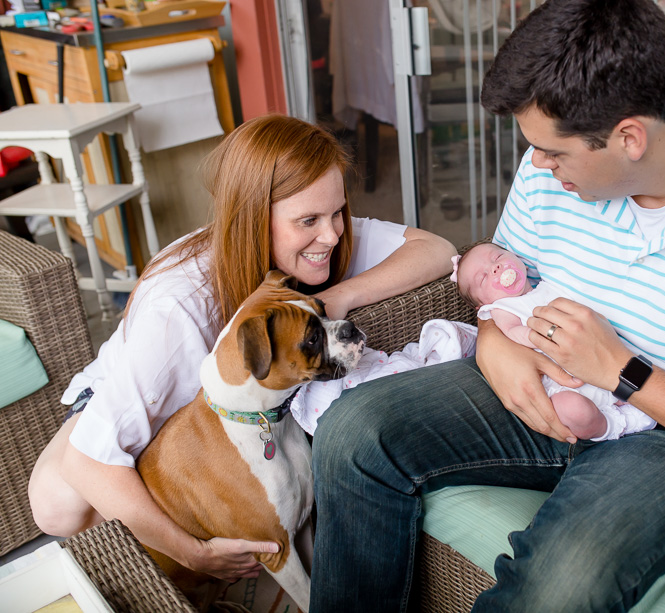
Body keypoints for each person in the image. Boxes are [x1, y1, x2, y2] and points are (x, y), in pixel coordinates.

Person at [309, 0, 665, 611]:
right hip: (540, 375)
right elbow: (503, 287)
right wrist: (495, 349)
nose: (538, 164)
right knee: (351, 432)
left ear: (630, 138)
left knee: (565, 580)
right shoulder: (551, 171)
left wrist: (622, 371)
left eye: (554, 152)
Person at [27, 114, 456, 582]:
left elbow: (435, 248)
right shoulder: (180, 308)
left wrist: (329, 301)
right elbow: (88, 459)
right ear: (254, 219)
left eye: (338, 212)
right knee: (58, 505)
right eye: (308, 220)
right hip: (145, 401)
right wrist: (194, 552)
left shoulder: (319, 238)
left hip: (228, 415)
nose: (331, 235)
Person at [452, 242, 659, 441]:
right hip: (556, 379)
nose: (495, 268)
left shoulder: (548, 287)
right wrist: (535, 336)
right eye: (484, 277)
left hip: (589, 359)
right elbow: (511, 330)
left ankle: (629, 406)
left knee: (625, 374)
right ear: (481, 305)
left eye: (497, 257)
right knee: (574, 410)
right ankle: (610, 426)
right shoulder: (501, 309)